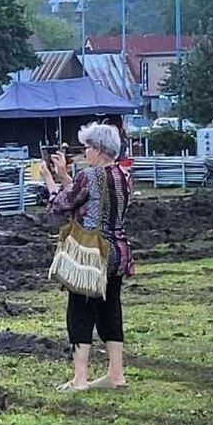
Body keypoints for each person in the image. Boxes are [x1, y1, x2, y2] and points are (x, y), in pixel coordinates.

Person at [43, 122, 134, 392]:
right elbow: (89, 199)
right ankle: (115, 374)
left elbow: (61, 204)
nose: (85, 154)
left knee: (80, 312)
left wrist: (51, 181)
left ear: (99, 150)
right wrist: (66, 179)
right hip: (117, 252)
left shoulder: (89, 176)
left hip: (91, 254)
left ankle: (80, 378)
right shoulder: (123, 176)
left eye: (87, 148)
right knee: (110, 310)